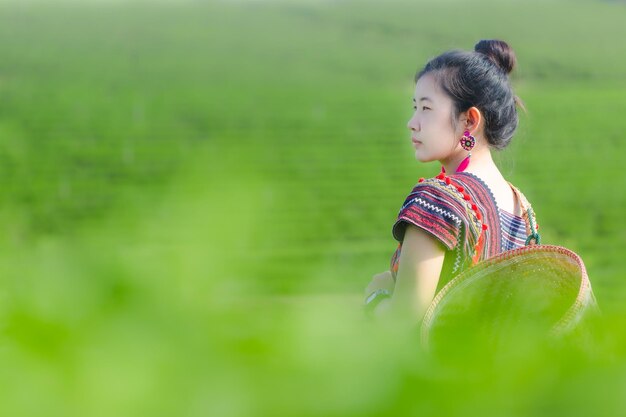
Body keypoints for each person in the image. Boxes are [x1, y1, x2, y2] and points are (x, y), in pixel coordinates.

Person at [364, 39, 539, 323]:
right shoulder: (522, 208)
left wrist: (377, 297)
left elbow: (402, 327)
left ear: (470, 121)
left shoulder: (437, 201)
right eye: (414, 107)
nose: (413, 122)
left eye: (426, 109)